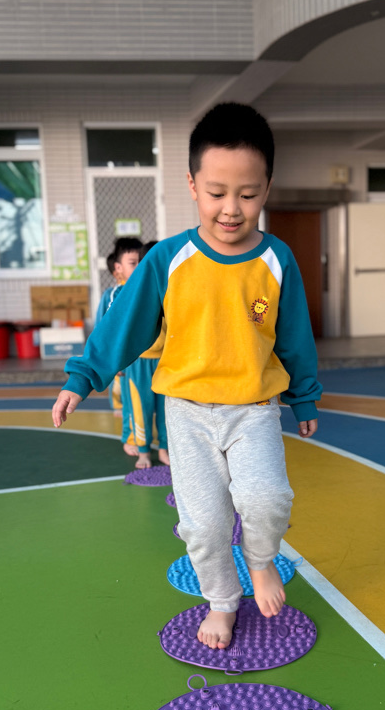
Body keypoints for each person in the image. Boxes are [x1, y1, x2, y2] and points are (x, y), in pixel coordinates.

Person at [52, 102, 321, 650]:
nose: (231, 209)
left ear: (267, 189)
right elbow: (123, 324)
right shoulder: (168, 260)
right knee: (203, 524)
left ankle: (262, 561)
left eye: (248, 194)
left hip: (254, 409)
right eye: (217, 192)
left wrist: (305, 397)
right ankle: (221, 601)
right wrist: (83, 376)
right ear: (193, 185)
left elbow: (294, 335)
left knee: (267, 498)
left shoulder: (277, 260)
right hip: (187, 414)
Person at [119, 241, 169, 469]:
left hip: (166, 361)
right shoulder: (133, 293)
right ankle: (144, 452)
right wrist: (120, 361)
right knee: (141, 409)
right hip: (138, 363)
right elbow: (121, 331)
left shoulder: (171, 290)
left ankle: (165, 449)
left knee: (167, 410)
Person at [92, 237, 143, 439]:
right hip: (123, 358)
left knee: (142, 402)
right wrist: (111, 359)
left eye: (141, 261)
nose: (139, 267)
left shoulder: (145, 290)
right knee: (127, 399)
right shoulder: (112, 294)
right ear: (118, 268)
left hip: (145, 359)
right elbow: (102, 327)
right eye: (133, 263)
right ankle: (129, 435)